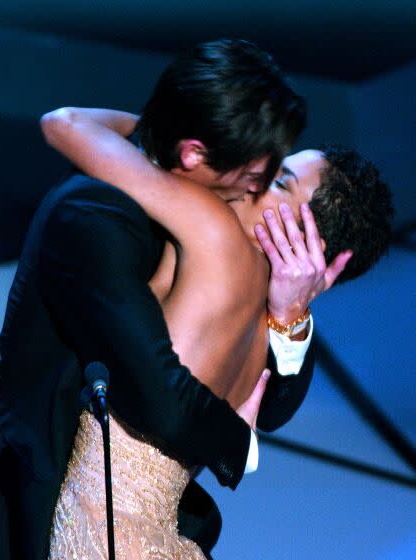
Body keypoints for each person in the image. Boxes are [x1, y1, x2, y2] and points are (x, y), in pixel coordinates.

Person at [0, 39, 335, 560]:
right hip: (45, 507)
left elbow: (270, 407)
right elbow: (158, 391)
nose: (258, 192)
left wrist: (291, 312)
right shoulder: (94, 214)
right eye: (254, 177)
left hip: (160, 520)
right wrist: (236, 445)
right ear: (194, 155)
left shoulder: (190, 203)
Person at [41, 107, 393, 558]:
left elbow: (65, 123)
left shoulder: (211, 227)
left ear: (311, 245)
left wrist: (161, 129)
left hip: (99, 534)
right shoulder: (272, 322)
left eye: (279, 182)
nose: (255, 176)